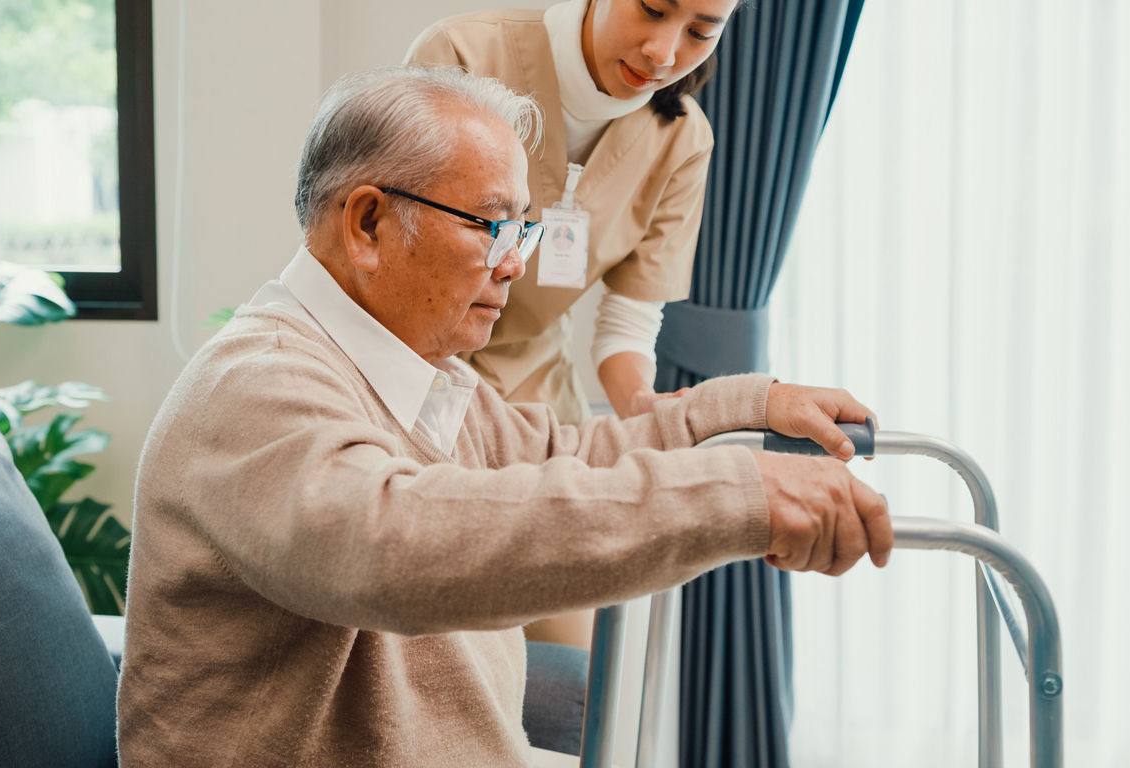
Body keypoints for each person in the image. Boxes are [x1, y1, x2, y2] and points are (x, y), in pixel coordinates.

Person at [117, 65, 890, 767]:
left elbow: (567, 453)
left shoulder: (419, 375)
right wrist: (732, 495)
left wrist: (745, 409)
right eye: (491, 225)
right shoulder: (255, 386)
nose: (515, 262)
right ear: (367, 225)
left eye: (523, 227)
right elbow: (397, 545)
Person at [407, 0, 739, 650]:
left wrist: (639, 403)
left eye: (701, 30)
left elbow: (629, 317)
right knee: (429, 659)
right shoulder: (461, 58)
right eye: (651, 10)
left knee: (576, 665)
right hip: (411, 379)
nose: (663, 53)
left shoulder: (680, 139)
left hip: (531, 390)